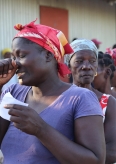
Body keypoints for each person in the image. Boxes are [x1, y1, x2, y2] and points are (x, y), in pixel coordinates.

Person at [0, 20, 106, 163]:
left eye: (22, 56)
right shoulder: (13, 92)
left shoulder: (81, 98)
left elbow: (96, 160)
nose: (15, 63)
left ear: (48, 56)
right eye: (14, 57)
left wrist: (41, 129)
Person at [68, 39, 116, 164]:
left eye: (92, 61)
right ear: (68, 66)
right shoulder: (58, 98)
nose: (86, 66)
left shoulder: (108, 102)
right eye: (79, 61)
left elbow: (112, 153)